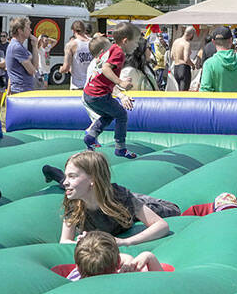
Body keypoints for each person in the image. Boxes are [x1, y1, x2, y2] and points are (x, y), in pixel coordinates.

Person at [59, 151, 177, 245]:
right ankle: (55, 173)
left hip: (129, 205)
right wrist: (82, 243)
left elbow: (162, 226)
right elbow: (65, 241)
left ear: (93, 179)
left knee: (173, 210)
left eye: (72, 176)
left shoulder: (120, 198)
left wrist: (126, 242)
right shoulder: (73, 202)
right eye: (66, 176)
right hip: (109, 207)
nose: (65, 182)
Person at [82, 22, 140, 159]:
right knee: (121, 115)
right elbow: (106, 69)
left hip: (89, 94)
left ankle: (91, 137)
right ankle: (120, 148)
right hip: (99, 94)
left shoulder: (112, 49)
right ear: (125, 41)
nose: (137, 45)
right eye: (136, 42)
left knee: (108, 115)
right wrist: (121, 83)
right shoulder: (119, 52)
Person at [65, 230, 165, 280]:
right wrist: (149, 257)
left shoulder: (75, 277)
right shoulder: (126, 281)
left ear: (77, 266)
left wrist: (128, 260)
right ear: (118, 262)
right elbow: (163, 284)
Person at [199, 26, 237, 92]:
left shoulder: (209, 64)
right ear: (231, 40)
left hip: (218, 102)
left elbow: (205, 91)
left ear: (213, 42)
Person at [5, 17, 41, 94]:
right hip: (21, 90)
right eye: (28, 28)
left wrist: (35, 46)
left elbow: (35, 66)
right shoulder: (17, 47)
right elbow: (32, 71)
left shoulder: (18, 46)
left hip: (23, 89)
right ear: (20, 30)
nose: (30, 30)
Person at [60, 21, 94, 91]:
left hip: (78, 86)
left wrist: (60, 70)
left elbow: (66, 68)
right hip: (92, 85)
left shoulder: (71, 45)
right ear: (84, 29)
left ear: (73, 31)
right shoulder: (94, 42)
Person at [171, 27, 198, 92]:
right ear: (191, 34)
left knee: (179, 90)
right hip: (183, 68)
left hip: (176, 68)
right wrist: (192, 65)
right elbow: (186, 59)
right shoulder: (186, 44)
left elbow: (172, 56)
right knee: (184, 92)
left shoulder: (176, 41)